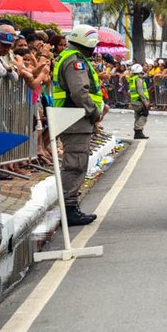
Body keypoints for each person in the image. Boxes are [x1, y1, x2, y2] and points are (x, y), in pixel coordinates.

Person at [52, 24, 103, 226]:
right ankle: (69, 209)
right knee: (75, 164)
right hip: (75, 118)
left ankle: (71, 206)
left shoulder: (69, 57)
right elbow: (79, 92)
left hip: (74, 118)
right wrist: (94, 111)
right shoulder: (75, 61)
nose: (94, 50)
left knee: (76, 162)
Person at [129, 63, 150, 139]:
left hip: (134, 101)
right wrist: (145, 102)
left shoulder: (132, 79)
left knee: (138, 115)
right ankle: (138, 130)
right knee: (144, 114)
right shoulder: (138, 79)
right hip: (139, 101)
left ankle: (137, 133)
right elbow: (140, 91)